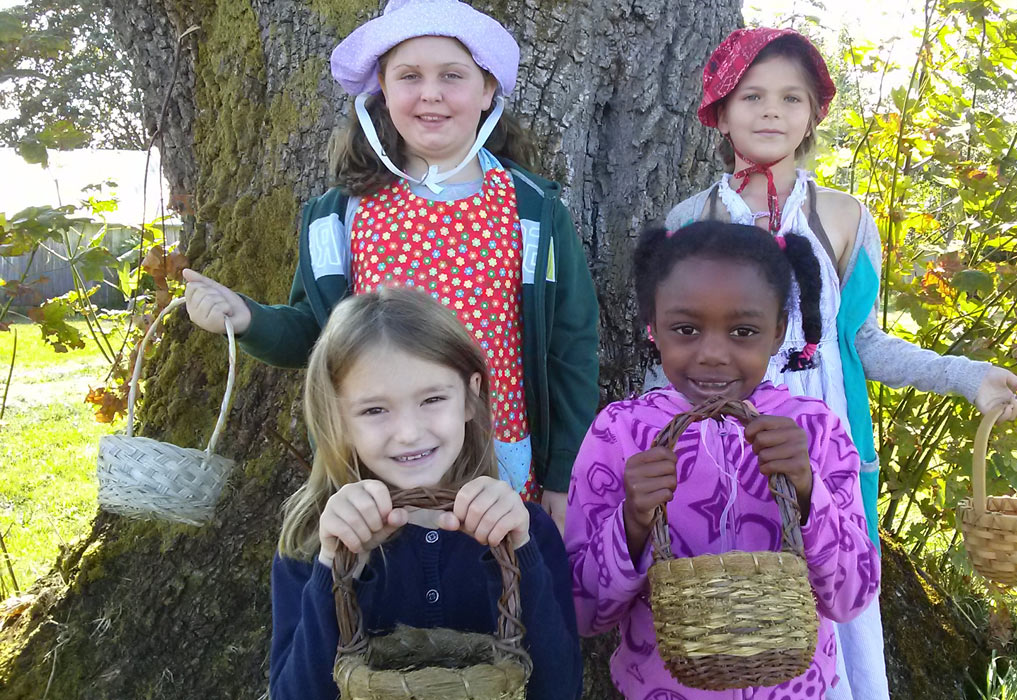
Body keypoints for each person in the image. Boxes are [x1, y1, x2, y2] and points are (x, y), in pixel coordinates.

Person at [661, 27, 1017, 699]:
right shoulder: (688, 221)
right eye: (752, 96)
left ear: (814, 112)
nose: (771, 111)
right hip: (720, 450)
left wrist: (967, 376)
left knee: (829, 604)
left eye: (791, 97)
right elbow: (674, 350)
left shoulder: (845, 218)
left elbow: (863, 341)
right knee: (732, 616)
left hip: (827, 453)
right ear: (719, 110)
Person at [182, 0, 599, 530]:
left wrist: (566, 473)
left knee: (499, 593)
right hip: (378, 466)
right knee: (388, 595)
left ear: (488, 89)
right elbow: (317, 334)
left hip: (502, 465)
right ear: (382, 86)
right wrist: (248, 320)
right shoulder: (341, 214)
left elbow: (571, 348)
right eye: (410, 76)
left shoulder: (532, 211)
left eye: (453, 75)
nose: (431, 93)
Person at [566, 220, 880, 699]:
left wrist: (808, 490)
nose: (712, 354)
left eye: (743, 331)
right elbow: (583, 613)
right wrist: (630, 522)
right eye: (686, 329)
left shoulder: (814, 432)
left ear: (777, 333)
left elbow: (852, 596)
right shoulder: (621, 434)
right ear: (654, 324)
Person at [268, 288, 581, 700]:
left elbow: (561, 690)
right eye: (374, 410)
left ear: (470, 396)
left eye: (432, 399)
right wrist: (336, 567)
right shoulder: (312, 541)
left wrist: (520, 552)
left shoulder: (526, 528)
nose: (410, 433)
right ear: (338, 417)